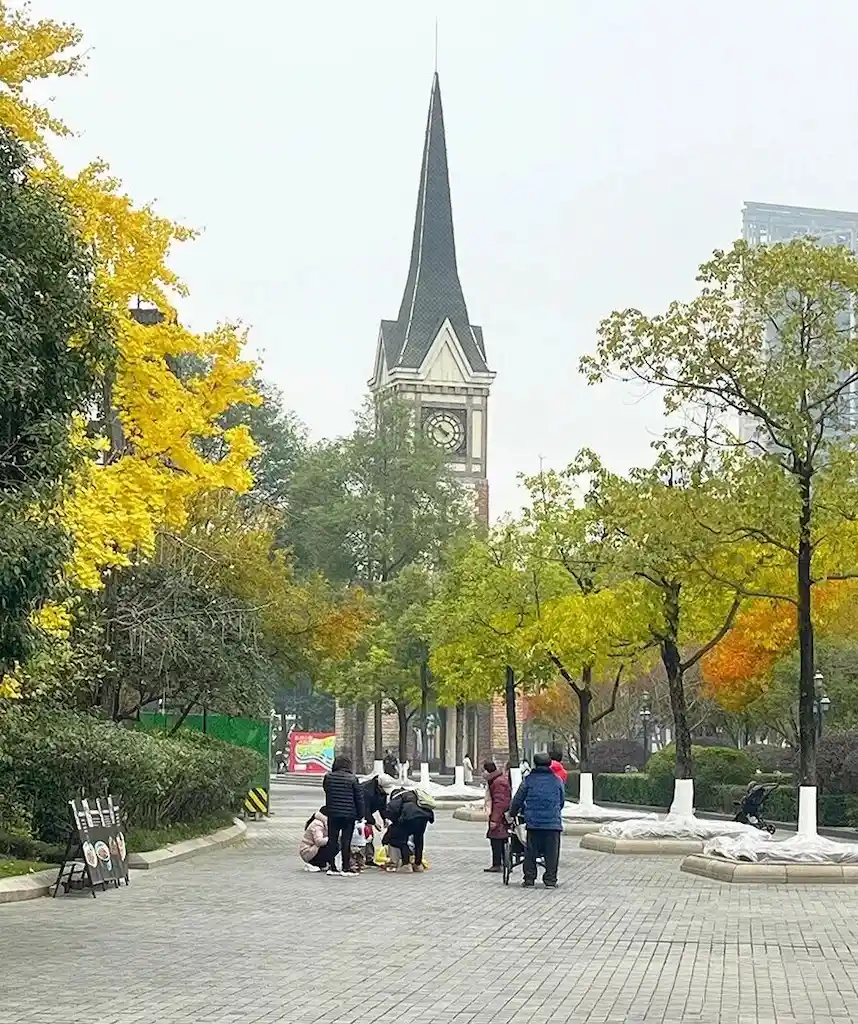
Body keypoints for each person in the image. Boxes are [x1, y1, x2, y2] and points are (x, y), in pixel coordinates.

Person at [508, 751, 564, 889]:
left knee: (530, 852)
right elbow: (561, 801)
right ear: (550, 763)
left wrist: (512, 813)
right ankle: (550, 880)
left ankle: (529, 879)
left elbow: (518, 800)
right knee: (552, 853)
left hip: (534, 823)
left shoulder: (528, 780)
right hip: (553, 823)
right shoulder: (557, 781)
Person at [322, 755, 365, 875]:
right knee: (346, 841)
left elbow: (326, 790)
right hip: (349, 815)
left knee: (332, 840)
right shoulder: (353, 779)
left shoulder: (328, 777)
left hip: (333, 814)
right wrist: (360, 815)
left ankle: (332, 866)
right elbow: (359, 799)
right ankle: (346, 867)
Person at [383, 788, 434, 873]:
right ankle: (418, 865)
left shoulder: (398, 797)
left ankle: (406, 865)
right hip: (424, 817)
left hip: (409, 818)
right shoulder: (414, 794)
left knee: (401, 841)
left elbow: (390, 811)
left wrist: (395, 821)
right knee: (418, 840)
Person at [482, 760, 511, 873]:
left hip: (499, 816)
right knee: (501, 838)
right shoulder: (496, 780)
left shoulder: (498, 782)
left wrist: (494, 819)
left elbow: (500, 802)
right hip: (500, 815)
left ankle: (498, 863)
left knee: (497, 838)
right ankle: (504, 863)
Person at [298, 806, 329, 872]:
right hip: (307, 851)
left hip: (314, 848)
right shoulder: (318, 824)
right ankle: (313, 863)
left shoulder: (325, 823)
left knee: (336, 844)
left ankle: (321, 863)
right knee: (332, 844)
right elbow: (318, 841)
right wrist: (331, 838)